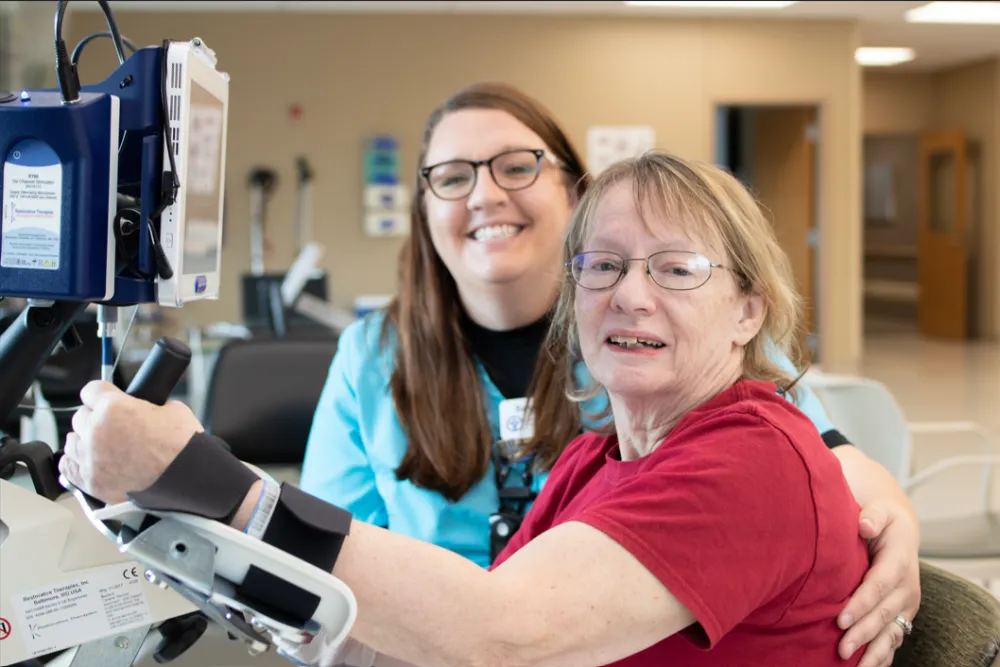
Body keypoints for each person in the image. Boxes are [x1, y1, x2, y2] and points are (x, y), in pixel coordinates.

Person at [61, 151, 915, 667]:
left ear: (748, 311)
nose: (632, 297)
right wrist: (221, 559)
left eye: (677, 269)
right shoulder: (596, 458)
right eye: (605, 267)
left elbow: (503, 634)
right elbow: (452, 633)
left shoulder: (747, 457)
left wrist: (213, 483)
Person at [299, 83, 919, 665]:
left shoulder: (735, 418)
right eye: (452, 177)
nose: (484, 195)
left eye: (516, 166)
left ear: (571, 192)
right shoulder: (382, 358)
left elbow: (817, 458)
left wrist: (892, 516)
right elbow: (336, 574)